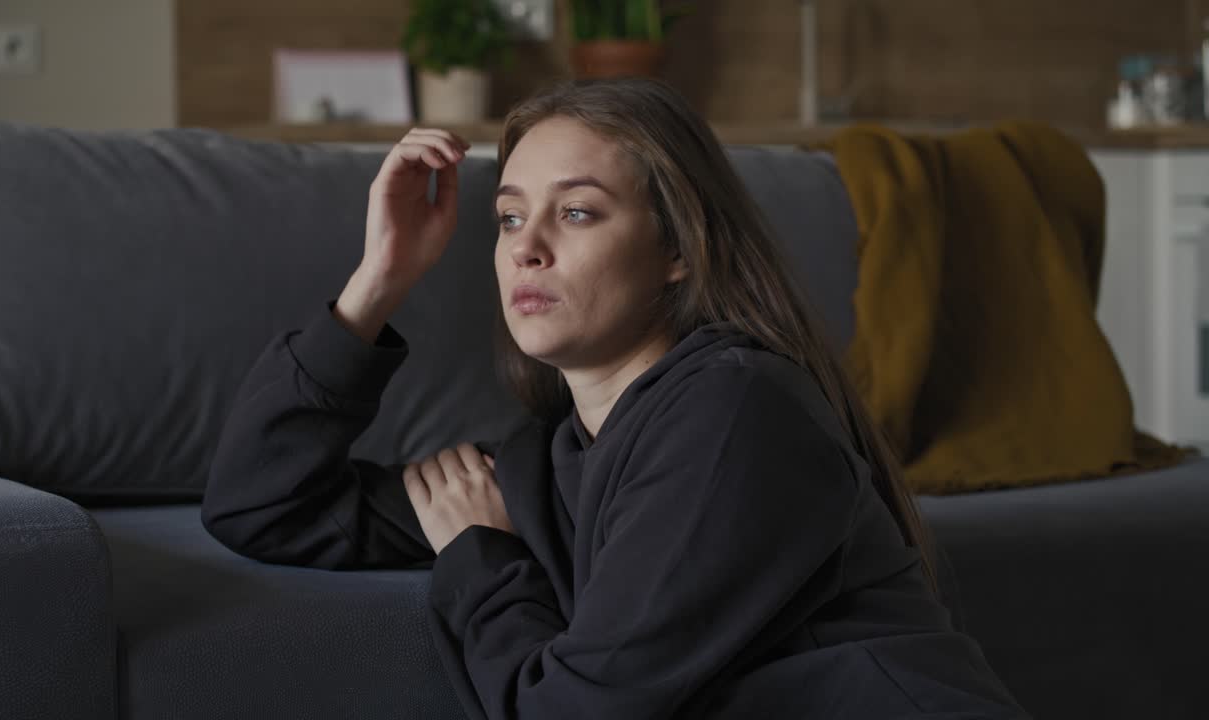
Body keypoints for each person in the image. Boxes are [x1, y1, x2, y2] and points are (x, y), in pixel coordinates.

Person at [202, 78, 1028, 719]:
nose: (527, 247)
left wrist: (482, 563)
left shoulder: (736, 413)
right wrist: (377, 282)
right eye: (508, 216)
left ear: (677, 247)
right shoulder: (544, 468)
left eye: (577, 212)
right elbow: (259, 503)